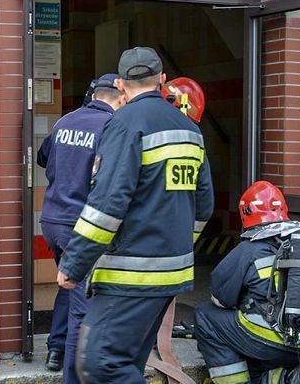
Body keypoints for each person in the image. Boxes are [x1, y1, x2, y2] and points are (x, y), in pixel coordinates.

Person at [56, 46, 214, 383]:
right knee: (126, 361)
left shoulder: (125, 124)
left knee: (101, 363)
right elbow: (204, 205)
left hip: (130, 275)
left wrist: (74, 264)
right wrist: (179, 246)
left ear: (120, 83)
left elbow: (108, 204)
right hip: (170, 274)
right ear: (162, 80)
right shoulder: (191, 131)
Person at [37, 73, 125, 381]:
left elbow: (41, 157)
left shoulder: (65, 121)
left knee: (69, 282)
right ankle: (75, 374)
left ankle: (56, 349)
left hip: (52, 220)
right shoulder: (111, 127)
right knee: (83, 307)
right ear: (120, 97)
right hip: (82, 226)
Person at [195, 180, 300, 384]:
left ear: (246, 213)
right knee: (246, 335)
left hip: (267, 343)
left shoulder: (249, 249)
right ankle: (286, 379)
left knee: (205, 316)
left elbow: (221, 298)